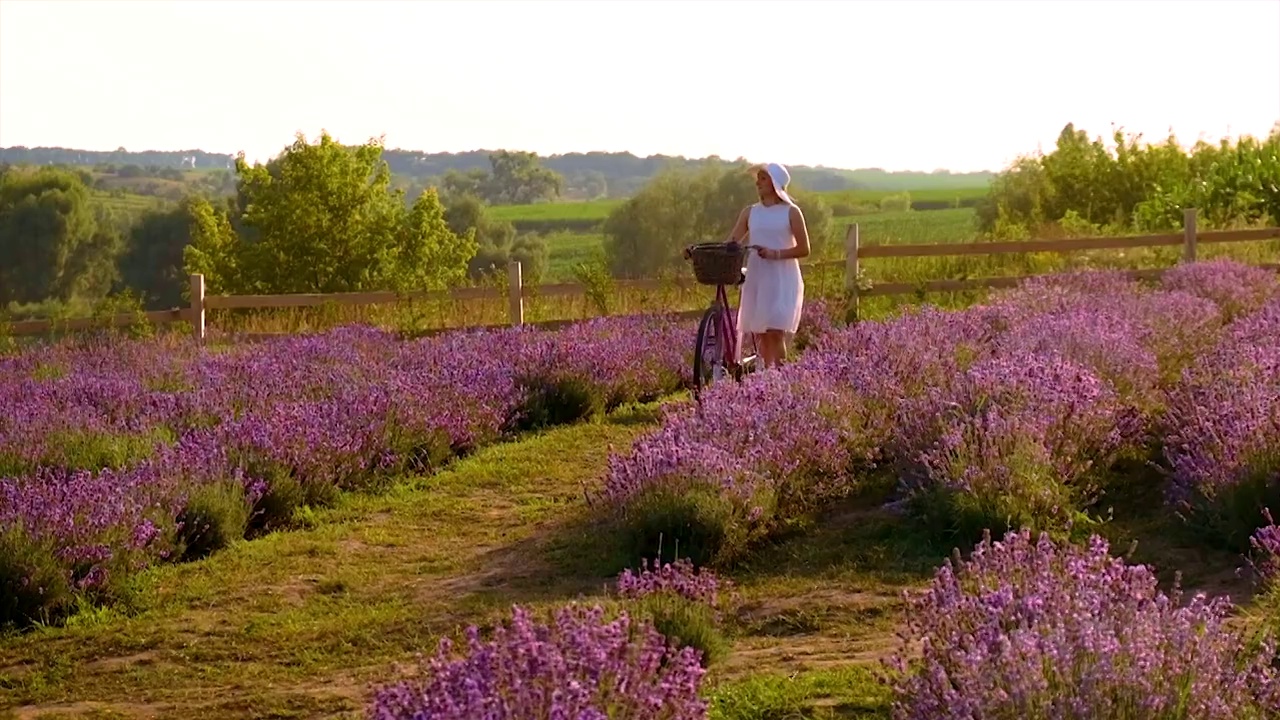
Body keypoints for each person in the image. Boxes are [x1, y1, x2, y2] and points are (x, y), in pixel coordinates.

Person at [719, 163, 809, 370]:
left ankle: (779, 378)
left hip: (782, 277)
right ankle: (766, 377)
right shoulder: (750, 213)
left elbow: (804, 249)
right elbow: (732, 242)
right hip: (758, 276)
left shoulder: (791, 212)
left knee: (775, 331)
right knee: (760, 332)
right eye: (758, 179)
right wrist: (703, 249)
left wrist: (775, 253)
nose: (758, 183)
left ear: (775, 183)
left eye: (763, 178)